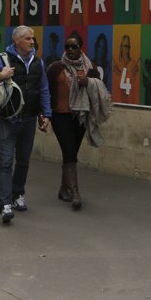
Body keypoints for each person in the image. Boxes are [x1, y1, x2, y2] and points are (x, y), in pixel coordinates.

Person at [0, 25, 51, 225]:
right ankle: (5, 205)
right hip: (7, 121)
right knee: (6, 162)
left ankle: (18, 194)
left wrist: (46, 114)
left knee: (24, 161)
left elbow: (43, 89)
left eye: (32, 39)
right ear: (17, 40)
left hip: (29, 120)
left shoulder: (37, 62)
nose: (32, 42)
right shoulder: (1, 60)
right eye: (28, 39)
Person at [46, 33, 111, 210]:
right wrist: (43, 114)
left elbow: (99, 90)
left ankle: (63, 189)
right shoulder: (56, 67)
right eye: (67, 46)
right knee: (68, 150)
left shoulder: (91, 68)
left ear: (81, 48)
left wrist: (88, 82)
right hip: (60, 115)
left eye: (74, 46)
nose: (70, 50)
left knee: (71, 153)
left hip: (80, 116)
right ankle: (75, 193)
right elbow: (45, 91)